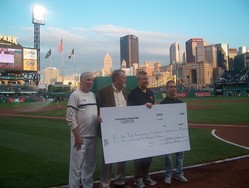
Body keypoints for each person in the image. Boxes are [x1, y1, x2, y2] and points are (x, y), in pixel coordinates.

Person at [96, 69, 129, 188]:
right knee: (108, 158)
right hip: (108, 130)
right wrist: (97, 116)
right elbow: (96, 108)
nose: (125, 80)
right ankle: (105, 184)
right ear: (116, 79)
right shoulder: (103, 91)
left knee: (122, 156)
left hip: (123, 129)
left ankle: (119, 181)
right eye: (123, 78)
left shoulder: (125, 92)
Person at [66, 72, 99, 188]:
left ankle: (87, 186)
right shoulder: (75, 95)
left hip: (92, 136)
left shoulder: (93, 95)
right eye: (87, 80)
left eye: (92, 80)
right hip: (80, 137)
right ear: (81, 81)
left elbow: (95, 113)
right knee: (76, 167)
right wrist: (77, 136)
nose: (90, 82)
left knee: (90, 166)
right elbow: (70, 118)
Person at [127, 70, 157, 188]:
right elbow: (131, 111)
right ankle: (138, 179)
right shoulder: (133, 94)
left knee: (149, 153)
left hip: (149, 128)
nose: (146, 81)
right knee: (139, 155)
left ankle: (146, 176)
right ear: (138, 80)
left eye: (147, 79)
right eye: (144, 79)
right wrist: (143, 107)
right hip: (138, 129)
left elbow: (153, 109)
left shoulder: (150, 92)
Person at [160, 80, 188, 185]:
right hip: (167, 133)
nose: (173, 89)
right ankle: (168, 174)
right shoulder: (162, 103)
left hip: (178, 133)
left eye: (174, 87)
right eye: (170, 87)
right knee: (167, 155)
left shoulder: (180, 103)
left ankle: (179, 173)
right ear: (167, 89)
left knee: (180, 155)